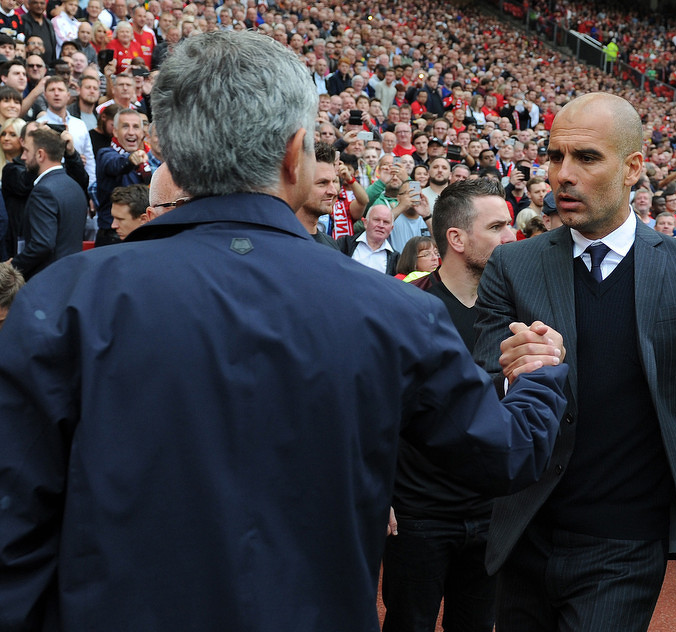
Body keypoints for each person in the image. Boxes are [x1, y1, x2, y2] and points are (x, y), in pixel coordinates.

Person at [0, 32, 569, 631]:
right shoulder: (393, 311)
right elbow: (503, 453)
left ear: (172, 153)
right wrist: (541, 376)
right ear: (296, 154)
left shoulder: (65, 301)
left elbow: (15, 525)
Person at [472, 92, 676, 632]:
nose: (562, 175)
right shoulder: (513, 265)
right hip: (526, 530)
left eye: (586, 157)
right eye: (554, 155)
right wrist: (510, 373)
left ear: (634, 167)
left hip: (626, 544)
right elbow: (478, 390)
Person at [382, 179, 516, 632]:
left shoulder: (521, 312)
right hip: (419, 513)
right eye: (497, 226)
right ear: (456, 239)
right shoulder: (407, 306)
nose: (510, 236)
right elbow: (377, 407)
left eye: (510, 224)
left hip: (492, 512)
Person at [9, 125, 86, 278]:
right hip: (72, 276)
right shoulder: (75, 186)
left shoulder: (43, 192)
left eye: (26, 151)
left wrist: (12, 266)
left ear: (40, 155)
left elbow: (42, 245)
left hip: (48, 280)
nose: (23, 157)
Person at [94, 107, 151, 246]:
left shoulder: (146, 159)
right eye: (125, 126)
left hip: (139, 234)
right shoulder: (105, 154)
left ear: (142, 132)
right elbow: (115, 165)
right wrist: (130, 160)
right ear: (115, 131)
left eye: (136, 127)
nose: (131, 132)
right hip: (112, 237)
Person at [295, 141, 340, 249]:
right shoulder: (274, 244)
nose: (333, 191)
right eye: (322, 183)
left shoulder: (331, 245)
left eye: (333, 182)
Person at [335, 203, 398, 274]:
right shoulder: (345, 244)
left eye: (386, 222)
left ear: (391, 229)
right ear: (365, 223)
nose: (381, 225)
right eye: (377, 220)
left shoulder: (396, 259)